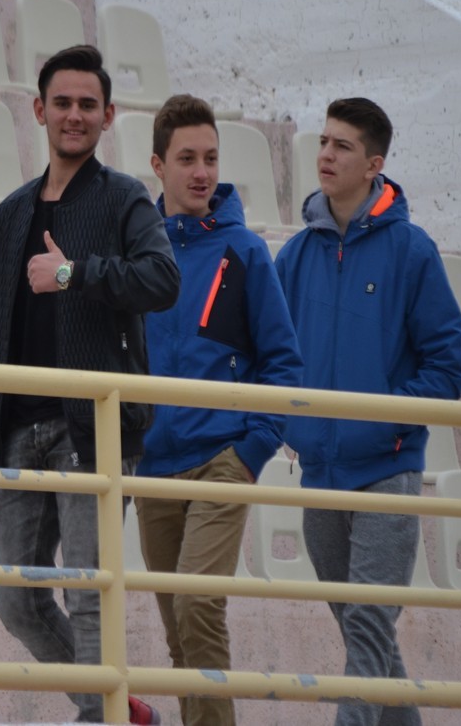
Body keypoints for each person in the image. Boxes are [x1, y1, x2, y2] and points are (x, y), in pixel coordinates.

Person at [0, 45, 179, 724]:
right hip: (18, 432)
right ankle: (115, 710)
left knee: (89, 596)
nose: (74, 115)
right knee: (16, 601)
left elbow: (162, 279)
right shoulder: (12, 212)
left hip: (95, 430)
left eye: (88, 104)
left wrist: (75, 274)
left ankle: (100, 718)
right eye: (62, 103)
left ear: (108, 116)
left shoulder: (123, 197)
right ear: (39, 110)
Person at [274, 98, 461, 726]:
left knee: (366, 632)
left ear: (374, 164)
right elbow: (269, 356)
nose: (326, 155)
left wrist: (383, 421)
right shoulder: (295, 255)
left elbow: (447, 366)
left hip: (386, 470)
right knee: (370, 642)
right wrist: (293, 427)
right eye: (323, 142)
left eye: (343, 146)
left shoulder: (412, 251)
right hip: (320, 475)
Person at [137, 94, 303, 726]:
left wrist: (252, 450)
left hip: (221, 460)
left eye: (210, 158)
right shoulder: (139, 253)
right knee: (179, 632)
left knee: (198, 608)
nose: (202, 171)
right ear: (159, 165)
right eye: (187, 159)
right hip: (153, 467)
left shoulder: (246, 251)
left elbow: (283, 361)